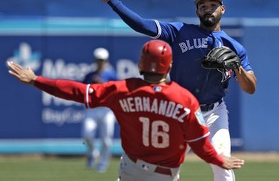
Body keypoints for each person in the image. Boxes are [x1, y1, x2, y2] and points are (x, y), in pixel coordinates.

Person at [7, 39, 245, 181]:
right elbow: (200, 144)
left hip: (131, 169)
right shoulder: (185, 100)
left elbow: (77, 91)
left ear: (141, 64)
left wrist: (36, 80)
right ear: (170, 66)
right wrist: (219, 160)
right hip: (165, 174)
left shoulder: (123, 90)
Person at [92, 0, 257, 181]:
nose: (208, 9)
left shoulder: (234, 47)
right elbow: (142, 25)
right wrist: (113, 1)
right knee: (162, 166)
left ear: (222, 8)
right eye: (203, 5)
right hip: (181, 110)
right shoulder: (179, 31)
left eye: (213, 4)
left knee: (223, 167)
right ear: (197, 10)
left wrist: (237, 67)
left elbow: (250, 88)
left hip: (214, 112)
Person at [81, 47, 118, 172]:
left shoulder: (111, 75)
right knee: (87, 134)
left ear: (106, 61)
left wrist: (102, 83)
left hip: (106, 110)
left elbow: (117, 92)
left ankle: (103, 162)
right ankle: (92, 153)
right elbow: (82, 91)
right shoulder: (89, 75)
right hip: (92, 109)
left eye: (102, 60)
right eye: (98, 60)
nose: (100, 62)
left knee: (106, 139)